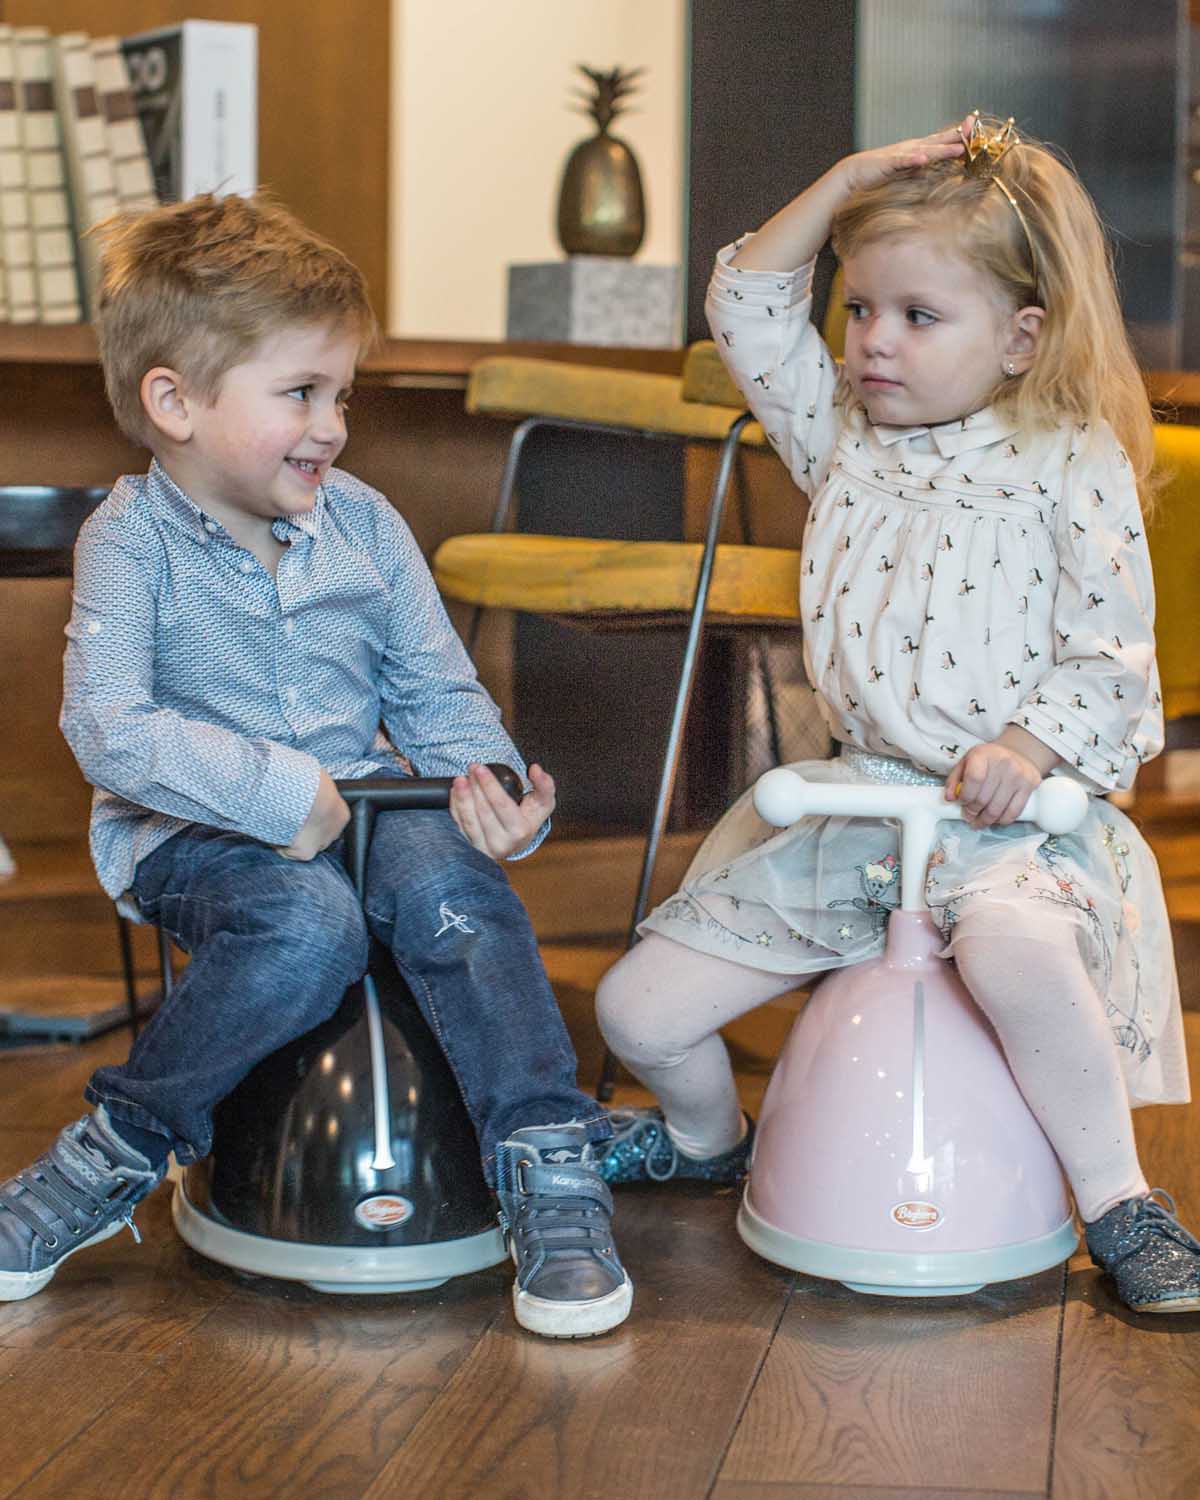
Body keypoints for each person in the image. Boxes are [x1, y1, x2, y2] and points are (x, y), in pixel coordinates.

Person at [594, 113, 1200, 1314]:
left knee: (1013, 952)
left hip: (1009, 824)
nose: (872, 342)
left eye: (919, 317)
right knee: (635, 1010)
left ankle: (1122, 1201)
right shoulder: (844, 441)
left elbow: (1113, 656)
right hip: (855, 815)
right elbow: (752, 300)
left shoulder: (1065, 456)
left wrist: (1026, 749)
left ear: (1022, 337)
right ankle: (714, 1142)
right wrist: (851, 179)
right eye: (861, 309)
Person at [0, 193, 631, 1339]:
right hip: (194, 834)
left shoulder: (368, 527)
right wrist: (276, 793)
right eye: (300, 393)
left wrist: (491, 792)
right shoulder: (127, 541)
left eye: (341, 393)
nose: (333, 424)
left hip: (381, 811)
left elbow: (437, 694)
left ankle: (548, 1160)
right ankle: (115, 1150)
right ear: (173, 402)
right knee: (306, 928)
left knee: (457, 895)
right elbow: (109, 727)